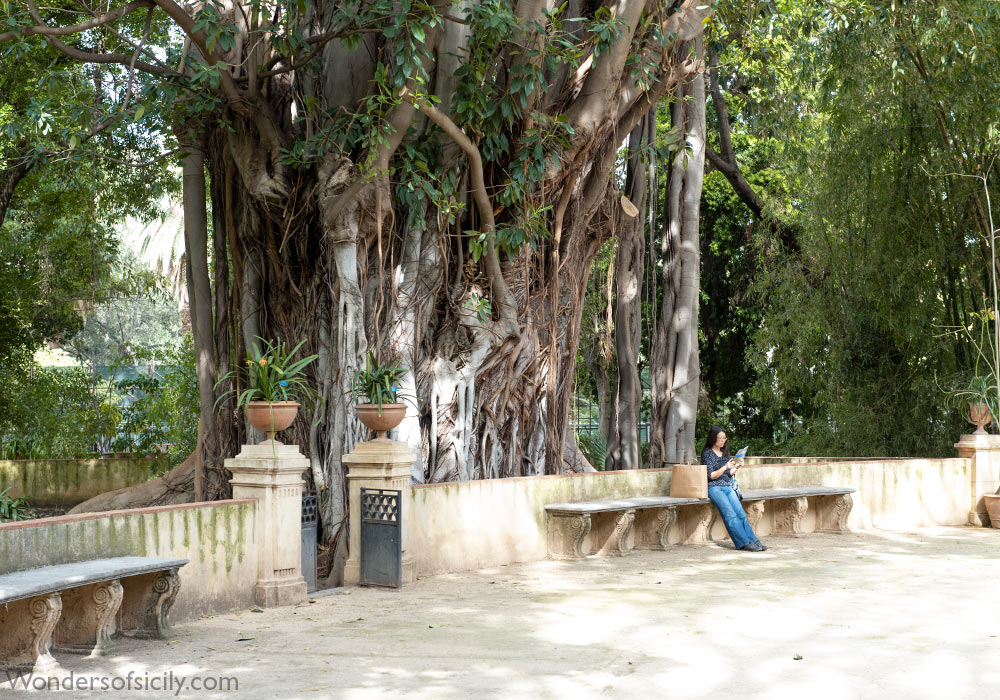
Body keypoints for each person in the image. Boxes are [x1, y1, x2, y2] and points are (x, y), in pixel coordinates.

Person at [701, 426, 767, 552]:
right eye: (719, 438)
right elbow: (710, 476)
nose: (722, 441)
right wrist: (725, 467)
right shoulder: (707, 453)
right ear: (713, 438)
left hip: (727, 486)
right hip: (714, 488)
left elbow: (729, 474)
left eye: (724, 438)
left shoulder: (724, 452)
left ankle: (753, 541)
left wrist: (737, 466)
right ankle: (743, 543)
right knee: (730, 515)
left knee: (741, 514)